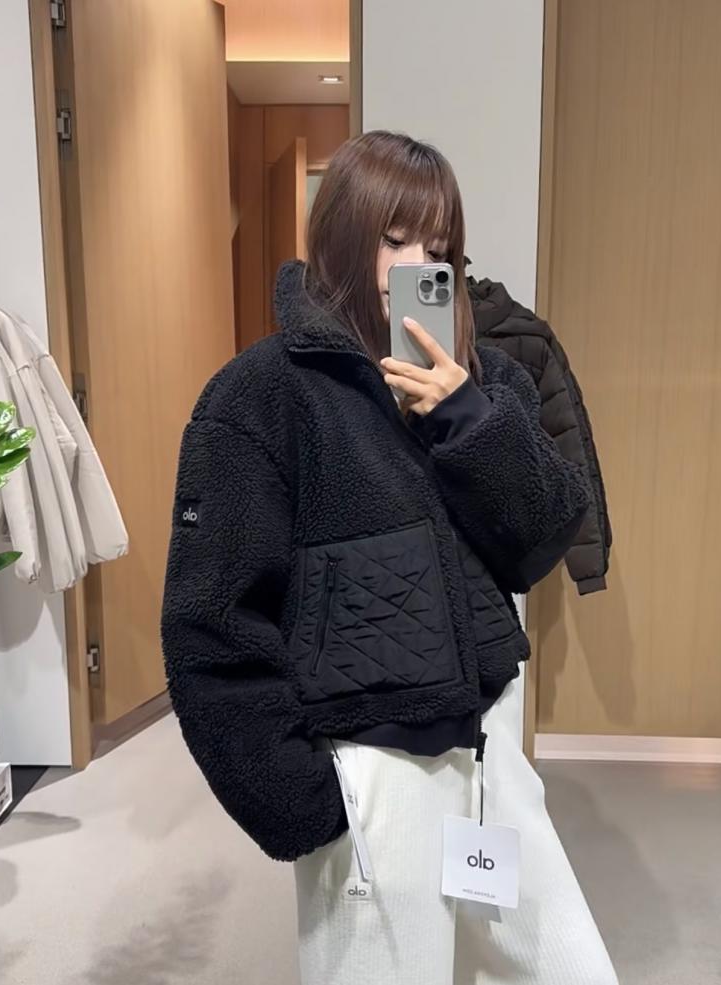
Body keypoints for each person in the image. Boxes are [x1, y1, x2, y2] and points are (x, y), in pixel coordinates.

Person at [160, 130, 618, 984]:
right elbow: (210, 624)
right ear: (341, 234)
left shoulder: (491, 387)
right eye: (393, 238)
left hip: (491, 762)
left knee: (576, 969)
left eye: (437, 248)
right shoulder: (261, 395)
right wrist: (305, 802)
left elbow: (541, 542)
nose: (414, 265)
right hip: (370, 778)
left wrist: (467, 420)